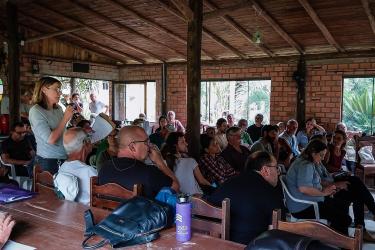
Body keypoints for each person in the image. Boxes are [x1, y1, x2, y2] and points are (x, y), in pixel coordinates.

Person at [207, 151, 285, 244]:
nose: (278, 172)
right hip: (249, 245)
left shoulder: (228, 183)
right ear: (265, 170)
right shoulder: (270, 191)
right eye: (276, 168)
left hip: (215, 243)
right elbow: (281, 228)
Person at [285, 140, 352, 234]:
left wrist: (328, 189)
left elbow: (316, 182)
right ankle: (341, 241)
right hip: (304, 207)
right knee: (345, 219)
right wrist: (324, 192)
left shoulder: (307, 162)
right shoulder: (305, 165)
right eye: (321, 155)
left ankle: (333, 234)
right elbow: (304, 188)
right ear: (313, 153)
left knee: (343, 204)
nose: (323, 158)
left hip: (309, 201)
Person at [99, 126, 179, 198]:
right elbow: (176, 187)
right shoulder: (148, 172)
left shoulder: (104, 168)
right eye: (146, 142)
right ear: (132, 147)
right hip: (139, 214)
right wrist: (160, 162)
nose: (149, 146)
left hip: (107, 214)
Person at [29, 77, 74, 174]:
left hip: (64, 157)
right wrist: (65, 118)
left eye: (59, 90)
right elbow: (51, 139)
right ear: (44, 90)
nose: (60, 93)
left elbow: (62, 130)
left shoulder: (58, 109)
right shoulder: (36, 111)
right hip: (48, 161)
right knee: (50, 189)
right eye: (56, 89)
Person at [57, 128, 97, 205]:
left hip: (67, 211)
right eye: (88, 138)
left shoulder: (63, 167)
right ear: (85, 143)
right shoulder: (89, 171)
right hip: (86, 214)